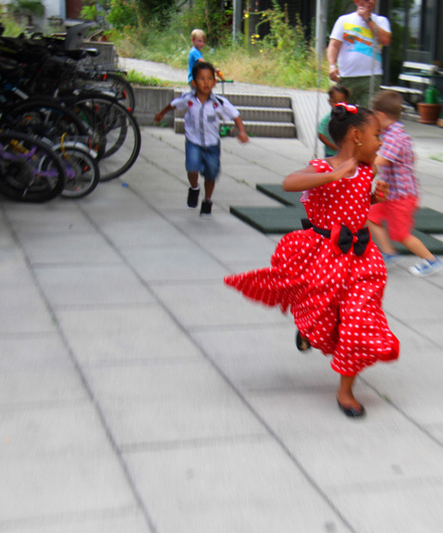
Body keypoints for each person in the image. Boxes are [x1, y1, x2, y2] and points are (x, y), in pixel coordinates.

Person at [224, 103, 398, 418]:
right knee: (323, 312)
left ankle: (345, 391)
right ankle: (307, 327)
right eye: (376, 135)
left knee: (358, 320)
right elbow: (290, 182)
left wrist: (374, 197)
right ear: (356, 136)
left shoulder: (367, 170)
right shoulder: (321, 167)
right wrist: (332, 174)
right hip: (325, 254)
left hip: (361, 257)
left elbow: (355, 201)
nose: (380, 142)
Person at [154, 61, 249, 216]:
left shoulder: (219, 102)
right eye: (201, 79)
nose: (206, 82)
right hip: (193, 142)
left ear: (215, 82)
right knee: (192, 167)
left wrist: (242, 132)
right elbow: (173, 104)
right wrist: (162, 113)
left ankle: (207, 199)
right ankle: (194, 188)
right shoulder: (188, 99)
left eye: (209, 79)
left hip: (212, 144)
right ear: (193, 82)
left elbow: (235, 115)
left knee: (211, 174)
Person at [367, 90, 443, 276]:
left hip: (401, 196)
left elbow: (381, 160)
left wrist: (357, 161)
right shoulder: (390, 133)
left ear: (381, 115)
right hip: (389, 192)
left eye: (375, 115)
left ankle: (431, 260)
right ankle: (389, 252)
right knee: (369, 216)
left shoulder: (395, 137)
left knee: (400, 234)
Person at [326, 0, 391, 108]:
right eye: (366, 0)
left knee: (368, 114)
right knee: (343, 112)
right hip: (347, 76)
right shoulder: (344, 20)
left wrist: (368, 19)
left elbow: (385, 40)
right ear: (356, 1)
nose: (370, 1)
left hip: (371, 76)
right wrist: (332, 66)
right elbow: (333, 46)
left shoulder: (381, 21)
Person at [318, 85, 350, 157]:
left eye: (341, 102)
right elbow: (320, 134)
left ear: (346, 102)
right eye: (334, 101)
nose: (337, 104)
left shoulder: (349, 117)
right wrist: (332, 146)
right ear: (329, 102)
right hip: (331, 154)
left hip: (346, 153)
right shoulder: (328, 118)